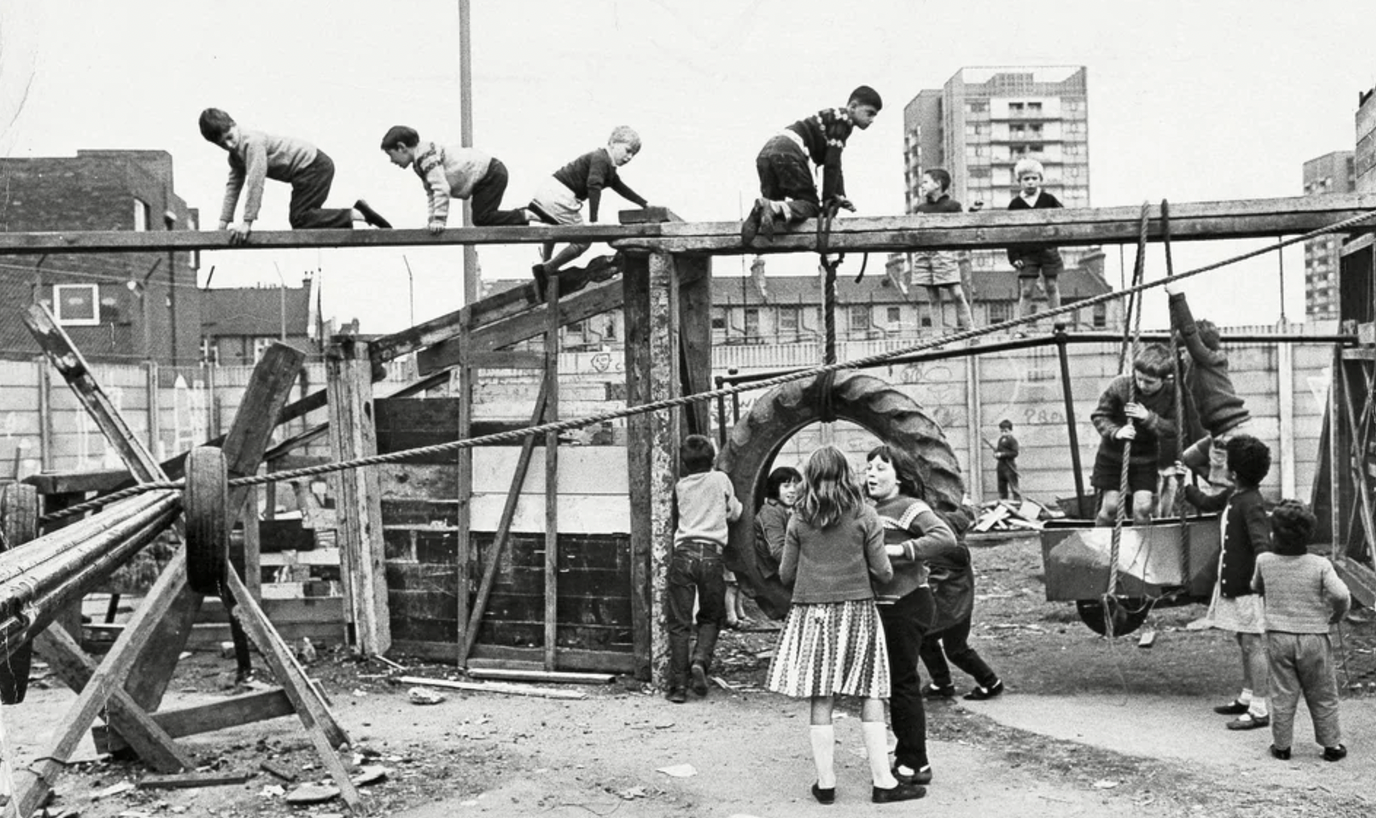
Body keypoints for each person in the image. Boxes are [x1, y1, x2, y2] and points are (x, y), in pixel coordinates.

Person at [765, 446, 926, 805]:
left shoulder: (798, 519)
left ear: (809, 476)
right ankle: (883, 782)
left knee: (821, 695)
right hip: (858, 611)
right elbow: (883, 572)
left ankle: (826, 784)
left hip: (812, 613)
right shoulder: (865, 515)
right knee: (870, 692)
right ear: (846, 474)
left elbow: (785, 573)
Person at [865, 445, 956, 788]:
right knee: (895, 683)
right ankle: (906, 753)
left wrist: (901, 550)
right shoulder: (875, 509)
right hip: (886, 606)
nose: (871, 474)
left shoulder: (909, 507)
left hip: (907, 603)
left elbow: (945, 538)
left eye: (881, 468)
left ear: (900, 477)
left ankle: (915, 762)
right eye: (869, 468)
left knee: (904, 683)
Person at [1183, 435, 1274, 731]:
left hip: (1249, 586)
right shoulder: (1234, 494)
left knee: (1253, 643)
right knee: (1243, 640)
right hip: (1233, 582)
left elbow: (1262, 546)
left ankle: (1260, 707)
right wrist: (1185, 486)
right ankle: (1247, 696)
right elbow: (1208, 501)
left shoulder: (1252, 504)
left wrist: (1261, 583)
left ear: (1233, 472)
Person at [199, 108, 390, 244]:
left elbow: (255, 182)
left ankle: (357, 214)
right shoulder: (235, 157)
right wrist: (222, 226)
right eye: (223, 144)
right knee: (302, 220)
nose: (230, 145)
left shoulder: (252, 143)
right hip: (306, 171)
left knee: (300, 220)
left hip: (314, 166)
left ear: (234, 124)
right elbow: (233, 188)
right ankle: (356, 214)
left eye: (230, 137)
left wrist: (247, 222)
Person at [1253, 500, 1350, 762]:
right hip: (1314, 637)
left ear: (1274, 533)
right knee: (1322, 692)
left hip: (1278, 636)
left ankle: (1282, 746)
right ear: (1309, 534)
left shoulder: (1264, 560)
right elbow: (1341, 594)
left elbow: (1256, 586)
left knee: (1283, 693)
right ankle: (1331, 745)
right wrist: (1337, 615)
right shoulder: (1319, 564)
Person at [739, 86, 882, 244]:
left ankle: (762, 211)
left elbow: (835, 162)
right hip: (789, 150)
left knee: (775, 211)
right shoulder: (843, 120)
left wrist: (839, 194)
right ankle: (770, 207)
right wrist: (827, 201)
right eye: (870, 113)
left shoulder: (833, 117)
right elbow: (831, 165)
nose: (871, 120)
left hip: (767, 152)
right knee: (810, 206)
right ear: (853, 107)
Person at [529, 126, 649, 297]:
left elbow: (621, 188)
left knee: (554, 227)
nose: (629, 157)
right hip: (560, 197)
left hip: (549, 192)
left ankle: (545, 264)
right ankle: (547, 269)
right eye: (627, 151)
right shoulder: (601, 159)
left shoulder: (606, 165)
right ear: (613, 143)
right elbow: (594, 185)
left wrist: (644, 204)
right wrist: (593, 221)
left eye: (633, 155)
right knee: (583, 240)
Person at [666, 435, 741, 703]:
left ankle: (677, 686)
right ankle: (700, 661)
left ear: (684, 464)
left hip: (683, 555)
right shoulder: (720, 480)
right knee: (711, 616)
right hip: (712, 555)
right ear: (712, 460)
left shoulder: (680, 486)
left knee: (679, 622)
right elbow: (734, 513)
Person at [1165, 280, 1252, 494]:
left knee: (1220, 485)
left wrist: (1177, 298)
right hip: (1216, 433)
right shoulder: (1192, 369)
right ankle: (1223, 486)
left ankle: (1224, 491)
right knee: (1188, 458)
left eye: (1186, 351)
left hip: (1230, 430)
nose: (1183, 355)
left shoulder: (1210, 359)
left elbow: (1190, 334)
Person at [918, 507, 1005, 701]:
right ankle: (942, 683)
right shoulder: (956, 551)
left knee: (952, 648)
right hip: (958, 607)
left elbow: (934, 580)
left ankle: (990, 682)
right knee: (934, 642)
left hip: (950, 609)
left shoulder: (942, 553)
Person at [379, 126, 537, 231]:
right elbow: (432, 193)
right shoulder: (419, 162)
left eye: (391, 155)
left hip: (490, 173)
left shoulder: (426, 156)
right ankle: (523, 216)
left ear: (401, 147)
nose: (392, 161)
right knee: (482, 219)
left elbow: (442, 189)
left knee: (482, 218)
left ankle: (525, 214)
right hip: (488, 174)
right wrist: (432, 221)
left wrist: (439, 221)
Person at [1091, 343, 1178, 526]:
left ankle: (1142, 551)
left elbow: (1173, 429)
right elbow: (1099, 415)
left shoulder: (1171, 393)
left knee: (1143, 509)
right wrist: (1116, 431)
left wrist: (1147, 417)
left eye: (1149, 382)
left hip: (1145, 459)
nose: (1142, 385)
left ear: (1164, 379)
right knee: (1111, 509)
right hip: (1113, 456)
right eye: (1139, 379)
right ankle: (1098, 547)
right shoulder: (1121, 386)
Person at [910, 169, 975, 330]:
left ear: (938, 184)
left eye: (925, 182)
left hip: (944, 254)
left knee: (957, 294)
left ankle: (971, 332)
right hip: (924, 254)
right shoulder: (920, 208)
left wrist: (972, 212)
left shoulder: (952, 206)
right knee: (933, 297)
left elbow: (962, 225)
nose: (922, 185)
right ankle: (937, 337)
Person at [1006, 158, 1064, 325]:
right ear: (1019, 181)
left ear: (1040, 179)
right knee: (1026, 290)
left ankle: (1056, 321)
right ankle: (1022, 327)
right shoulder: (1015, 204)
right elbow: (1010, 233)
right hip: (1027, 252)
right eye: (1026, 179)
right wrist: (1013, 256)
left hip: (1048, 250)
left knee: (1052, 286)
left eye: (1034, 178)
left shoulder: (1049, 199)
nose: (1030, 182)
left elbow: (1063, 218)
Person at [753, 465, 802, 593]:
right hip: (775, 571)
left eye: (795, 486)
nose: (792, 490)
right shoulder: (770, 512)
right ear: (775, 488)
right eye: (786, 486)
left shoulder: (789, 509)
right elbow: (777, 550)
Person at [991, 419, 1021, 502]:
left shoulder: (1012, 441)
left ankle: (1018, 504)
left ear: (1010, 430)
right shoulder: (1000, 440)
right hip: (1001, 466)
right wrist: (996, 455)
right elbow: (998, 451)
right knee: (1002, 487)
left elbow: (1015, 453)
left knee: (1014, 488)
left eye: (1006, 431)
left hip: (1009, 466)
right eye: (1001, 431)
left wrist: (1003, 454)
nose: (1003, 433)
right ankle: (1003, 504)